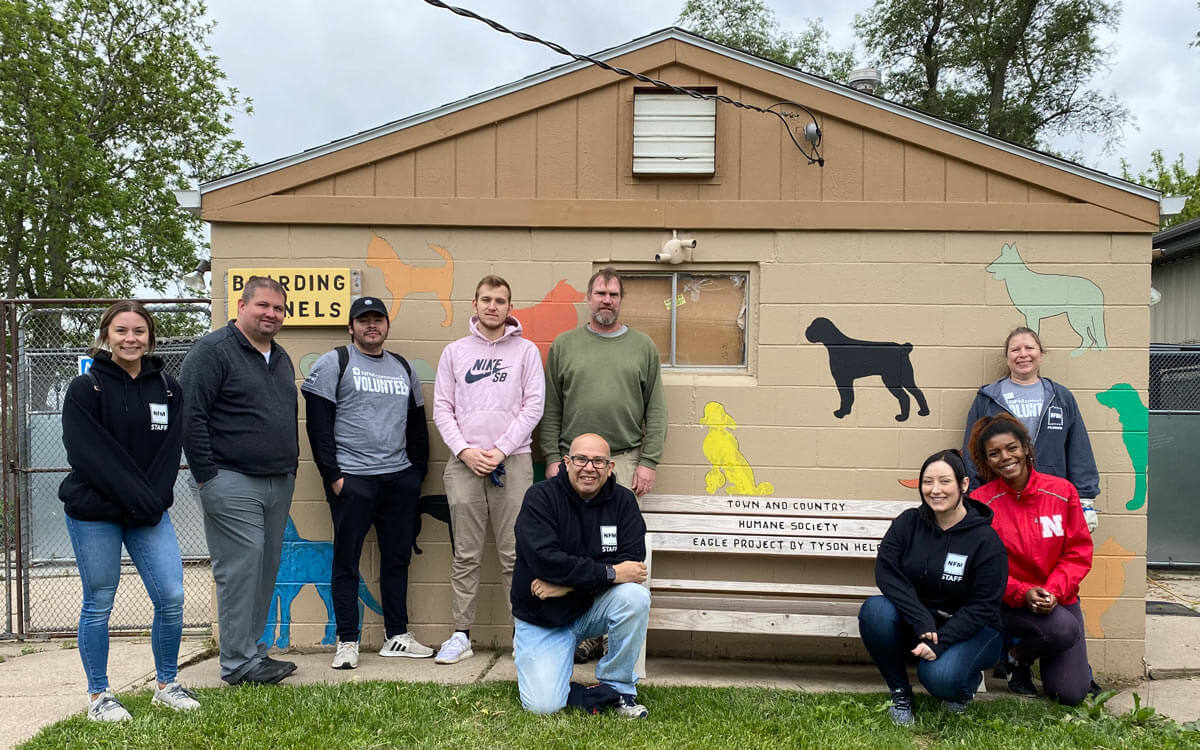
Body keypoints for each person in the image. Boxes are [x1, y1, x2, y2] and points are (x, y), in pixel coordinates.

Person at [59, 301, 200, 721]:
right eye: (121, 331)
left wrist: (151, 501)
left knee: (171, 596)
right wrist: (138, 497)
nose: (130, 339)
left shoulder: (169, 389)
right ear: (107, 335)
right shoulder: (86, 388)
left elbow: (168, 451)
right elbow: (90, 455)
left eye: (139, 331)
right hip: (94, 513)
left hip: (148, 515)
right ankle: (99, 696)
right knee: (99, 601)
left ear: (150, 338)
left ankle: (167, 684)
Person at [540, 267, 666, 662]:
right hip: (570, 462)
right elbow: (551, 408)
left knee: (620, 549)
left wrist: (648, 461)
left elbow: (657, 410)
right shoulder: (564, 346)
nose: (606, 299)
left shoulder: (643, 347)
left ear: (621, 299)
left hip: (624, 459)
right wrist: (551, 457)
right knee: (575, 544)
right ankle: (586, 629)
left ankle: (616, 632)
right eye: (600, 292)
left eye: (613, 293)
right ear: (589, 298)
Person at [180, 276, 300, 686]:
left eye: (279, 309)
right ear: (242, 305)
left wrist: (291, 469)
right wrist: (208, 479)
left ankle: (252, 653)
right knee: (240, 568)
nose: (271, 314)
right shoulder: (211, 351)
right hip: (231, 480)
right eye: (264, 305)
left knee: (265, 570)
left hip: (277, 482)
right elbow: (190, 416)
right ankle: (236, 663)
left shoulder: (280, 357)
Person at [301, 295, 432, 669]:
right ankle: (347, 641)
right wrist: (335, 478)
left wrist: (415, 474)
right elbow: (318, 426)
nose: (371, 325)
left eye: (378, 319)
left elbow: (417, 425)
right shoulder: (334, 363)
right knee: (347, 561)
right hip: (353, 479)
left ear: (387, 325)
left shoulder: (403, 368)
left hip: (398, 480)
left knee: (397, 559)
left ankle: (397, 636)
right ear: (351, 326)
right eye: (364, 320)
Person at [432, 276, 544, 665]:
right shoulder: (455, 353)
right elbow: (442, 408)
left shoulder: (526, 352)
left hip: (512, 463)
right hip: (465, 464)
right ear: (474, 303)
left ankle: (523, 635)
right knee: (466, 554)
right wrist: (465, 451)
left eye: (500, 300)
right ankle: (461, 634)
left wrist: (499, 450)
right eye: (486, 299)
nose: (492, 306)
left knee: (516, 554)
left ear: (509, 307)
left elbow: (534, 407)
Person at [858, 449, 1007, 725]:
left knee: (938, 678)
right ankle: (900, 693)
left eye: (944, 482)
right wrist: (920, 617)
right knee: (875, 611)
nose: (935, 490)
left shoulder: (986, 540)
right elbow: (887, 571)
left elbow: (983, 606)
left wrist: (943, 641)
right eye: (927, 482)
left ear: (963, 485)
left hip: (975, 628)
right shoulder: (908, 522)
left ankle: (964, 686)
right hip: (923, 622)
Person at [511, 433, 651, 718]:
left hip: (588, 608)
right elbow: (544, 561)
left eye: (598, 461)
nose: (589, 467)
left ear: (610, 467)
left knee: (634, 596)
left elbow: (632, 563)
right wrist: (608, 571)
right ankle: (564, 681)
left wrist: (568, 586)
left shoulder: (623, 501)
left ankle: (618, 687)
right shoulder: (541, 497)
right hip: (544, 616)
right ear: (566, 462)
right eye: (581, 459)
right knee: (544, 706)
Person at [968, 413, 1094, 706]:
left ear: (1026, 447)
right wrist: (1021, 592)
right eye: (994, 454)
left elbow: (1078, 552)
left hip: (1057, 599)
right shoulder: (981, 503)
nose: (1005, 457)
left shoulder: (1062, 492)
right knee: (1061, 628)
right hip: (1006, 604)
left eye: (1012, 447)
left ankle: (1017, 658)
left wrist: (1053, 591)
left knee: (1071, 693)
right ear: (987, 462)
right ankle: (1008, 652)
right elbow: (980, 569)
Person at [961, 327, 1099, 533]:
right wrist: (974, 495)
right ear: (1007, 357)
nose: (1023, 354)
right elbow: (972, 451)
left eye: (1029, 348)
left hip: (1051, 496)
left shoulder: (1060, 397)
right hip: (1001, 496)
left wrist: (1085, 498)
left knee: (1048, 554)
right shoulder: (987, 399)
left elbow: (1078, 448)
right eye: (1015, 349)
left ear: (1041, 354)